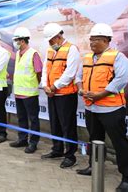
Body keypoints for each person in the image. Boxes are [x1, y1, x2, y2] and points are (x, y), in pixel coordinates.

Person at [76, 23, 128, 192]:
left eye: (95, 40)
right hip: (91, 108)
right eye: (91, 39)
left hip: (112, 109)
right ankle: (94, 167)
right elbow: (79, 76)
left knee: (120, 144)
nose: (92, 43)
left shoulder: (118, 57)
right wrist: (81, 89)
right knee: (95, 140)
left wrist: (100, 95)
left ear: (105, 40)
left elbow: (121, 80)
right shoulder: (87, 57)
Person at [41, 23, 80, 168]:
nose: (50, 43)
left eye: (51, 40)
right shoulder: (50, 50)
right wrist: (45, 85)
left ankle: (70, 155)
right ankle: (57, 149)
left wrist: (54, 86)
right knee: (55, 123)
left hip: (66, 95)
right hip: (52, 94)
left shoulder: (72, 49)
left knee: (67, 125)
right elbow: (46, 69)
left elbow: (70, 73)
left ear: (58, 37)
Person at [9, 27, 42, 154]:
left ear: (22, 41)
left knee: (33, 119)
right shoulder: (18, 54)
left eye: (16, 40)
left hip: (30, 93)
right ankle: (22, 139)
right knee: (21, 117)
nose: (15, 42)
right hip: (19, 92)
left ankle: (33, 142)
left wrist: (34, 84)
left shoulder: (33, 53)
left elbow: (39, 72)